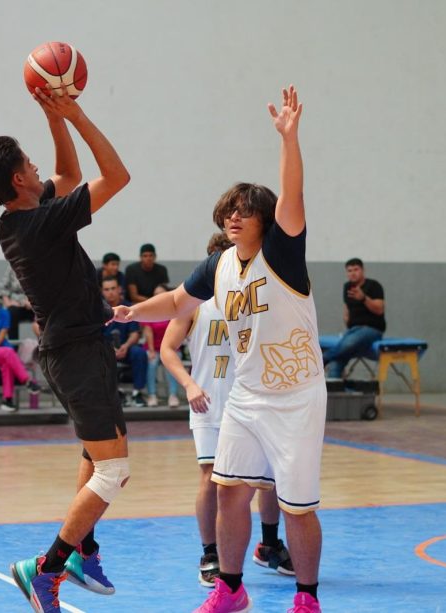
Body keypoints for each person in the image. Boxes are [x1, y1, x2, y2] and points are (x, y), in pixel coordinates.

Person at [111, 86, 324, 613]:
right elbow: (179, 300)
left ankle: (307, 598)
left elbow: (292, 193)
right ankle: (231, 590)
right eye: (229, 210)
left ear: (264, 219)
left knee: (296, 509)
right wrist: (134, 312)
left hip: (295, 395)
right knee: (230, 491)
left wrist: (289, 139)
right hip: (247, 396)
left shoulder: (283, 251)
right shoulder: (219, 265)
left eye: (244, 212)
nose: (233, 218)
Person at [0, 83, 130, 613]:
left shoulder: (23, 217)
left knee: (100, 451)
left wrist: (53, 117)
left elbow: (70, 176)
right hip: (74, 352)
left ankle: (84, 548)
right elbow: (115, 176)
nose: (42, 170)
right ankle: (46, 569)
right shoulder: (37, 224)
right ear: (18, 179)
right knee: (114, 469)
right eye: (31, 165)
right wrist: (76, 112)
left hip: (83, 345)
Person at [161, 232, 294, 589]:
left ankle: (268, 545)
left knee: (269, 480)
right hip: (208, 401)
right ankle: (210, 554)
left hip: (253, 401)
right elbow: (167, 349)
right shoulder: (194, 304)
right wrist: (189, 385)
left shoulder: (256, 298)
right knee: (210, 476)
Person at [321, 258, 385, 379]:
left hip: (371, 330)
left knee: (348, 344)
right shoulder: (347, 287)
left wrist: (363, 298)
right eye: (349, 270)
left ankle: (321, 361)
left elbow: (379, 309)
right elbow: (346, 310)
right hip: (353, 330)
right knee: (338, 358)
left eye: (356, 269)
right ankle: (335, 392)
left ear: (363, 270)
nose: (353, 273)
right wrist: (348, 322)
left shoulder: (374, 285)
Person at [101, 277, 149, 408]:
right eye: (106, 289)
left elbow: (135, 333)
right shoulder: (97, 310)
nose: (110, 292)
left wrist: (126, 346)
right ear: (102, 291)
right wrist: (110, 349)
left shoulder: (128, 308)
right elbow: (94, 336)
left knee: (139, 353)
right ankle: (115, 393)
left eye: (113, 288)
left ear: (119, 289)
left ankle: (137, 393)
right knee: (99, 355)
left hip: (126, 348)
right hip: (106, 350)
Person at [142, 285, 182, 407]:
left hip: (171, 348)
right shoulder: (148, 310)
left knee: (172, 362)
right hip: (153, 348)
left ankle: (173, 395)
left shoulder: (176, 311)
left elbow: (178, 331)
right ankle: (152, 395)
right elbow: (148, 331)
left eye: (161, 294)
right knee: (152, 362)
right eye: (155, 294)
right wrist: (152, 351)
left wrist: (171, 350)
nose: (158, 296)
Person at [0, 264, 37, 341]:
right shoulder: (12, 266)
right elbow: (4, 288)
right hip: (16, 304)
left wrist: (33, 302)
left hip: (35, 305)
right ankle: (14, 347)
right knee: (11, 313)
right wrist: (8, 303)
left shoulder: (39, 265)